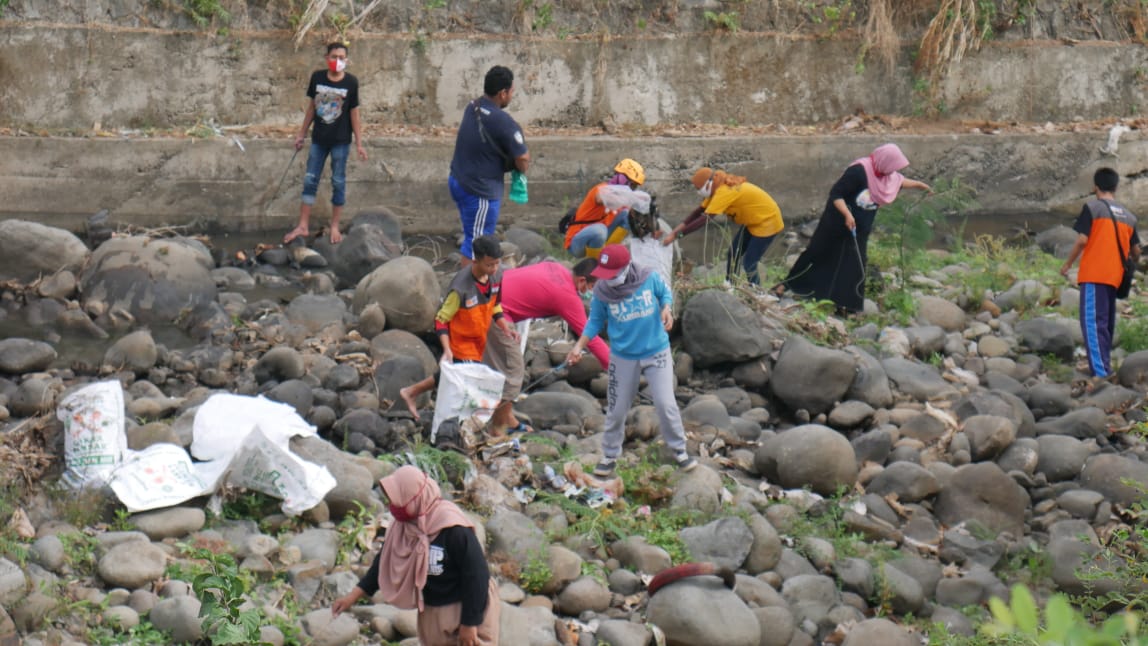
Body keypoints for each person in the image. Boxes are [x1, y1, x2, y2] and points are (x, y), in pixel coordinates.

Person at [565, 244, 698, 477]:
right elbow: (595, 322)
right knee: (616, 409)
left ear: (626, 267)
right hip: (623, 357)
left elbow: (665, 293)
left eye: (613, 273)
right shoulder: (602, 292)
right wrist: (578, 346)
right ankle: (609, 456)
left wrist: (667, 308)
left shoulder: (649, 278)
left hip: (656, 352)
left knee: (666, 404)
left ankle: (680, 451)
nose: (608, 279)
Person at [331, 466, 498, 646]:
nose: (393, 507)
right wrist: (352, 597)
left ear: (415, 497)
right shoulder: (403, 527)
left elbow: (477, 576)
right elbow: (384, 563)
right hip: (433, 610)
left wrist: (470, 623)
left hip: (469, 605)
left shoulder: (453, 529)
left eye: (397, 501)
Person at [778, 143, 931, 312]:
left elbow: (899, 181)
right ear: (883, 161)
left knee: (855, 264)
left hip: (859, 228)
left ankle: (847, 306)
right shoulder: (858, 171)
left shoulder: (885, 175)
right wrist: (847, 214)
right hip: (835, 223)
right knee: (817, 252)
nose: (891, 172)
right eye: (891, 167)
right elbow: (836, 195)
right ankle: (789, 286)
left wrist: (919, 185)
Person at [398, 235, 526, 433]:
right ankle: (458, 425)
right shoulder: (460, 288)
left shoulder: (496, 276)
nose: (494, 269)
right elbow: (441, 319)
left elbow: (496, 305)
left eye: (497, 264)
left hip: (479, 340)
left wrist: (505, 327)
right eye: (489, 265)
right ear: (476, 261)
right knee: (464, 381)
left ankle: (411, 393)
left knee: (452, 377)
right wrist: (447, 349)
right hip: (460, 341)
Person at [1059, 167, 1141, 379]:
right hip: (1114, 277)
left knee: (1093, 323)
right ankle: (1103, 365)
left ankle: (1101, 373)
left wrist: (1067, 264)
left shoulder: (1092, 208)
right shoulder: (1129, 217)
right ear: (1115, 187)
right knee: (1105, 323)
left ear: (1095, 187)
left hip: (1094, 274)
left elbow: (1082, 240)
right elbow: (1136, 252)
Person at [285, 42, 369, 245]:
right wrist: (301, 134)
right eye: (334, 56)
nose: (337, 61)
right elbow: (312, 108)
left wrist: (359, 143)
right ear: (326, 58)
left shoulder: (351, 82)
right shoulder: (318, 78)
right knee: (310, 180)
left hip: (340, 141)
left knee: (338, 181)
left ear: (346, 60)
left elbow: (354, 114)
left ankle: (334, 225)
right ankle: (303, 225)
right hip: (319, 140)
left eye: (341, 57)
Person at [449, 66, 530, 265]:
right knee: (478, 244)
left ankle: (474, 284)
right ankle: (467, 290)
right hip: (479, 192)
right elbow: (523, 158)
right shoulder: (504, 122)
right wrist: (522, 170)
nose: (512, 95)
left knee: (473, 235)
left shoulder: (473, 106)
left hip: (458, 180)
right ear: (503, 93)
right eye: (511, 92)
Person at [660, 168, 784, 285]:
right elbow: (697, 213)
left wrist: (678, 235)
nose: (698, 191)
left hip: (768, 221)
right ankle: (730, 284)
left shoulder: (724, 191)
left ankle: (758, 291)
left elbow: (705, 219)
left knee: (749, 262)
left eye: (699, 188)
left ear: (709, 183)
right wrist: (673, 233)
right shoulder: (716, 187)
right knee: (733, 253)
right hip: (754, 221)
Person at [497, 258, 611, 368]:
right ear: (582, 280)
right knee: (513, 370)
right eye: (593, 287)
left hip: (492, 289)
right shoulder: (567, 297)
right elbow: (589, 336)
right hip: (499, 311)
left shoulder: (555, 267)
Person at [565, 159, 646, 259]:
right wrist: (628, 198)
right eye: (632, 184)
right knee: (600, 230)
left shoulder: (623, 199)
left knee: (627, 216)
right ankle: (593, 263)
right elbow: (600, 198)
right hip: (577, 243)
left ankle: (607, 254)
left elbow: (631, 215)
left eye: (634, 187)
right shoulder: (601, 189)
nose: (632, 188)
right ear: (623, 178)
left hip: (599, 239)